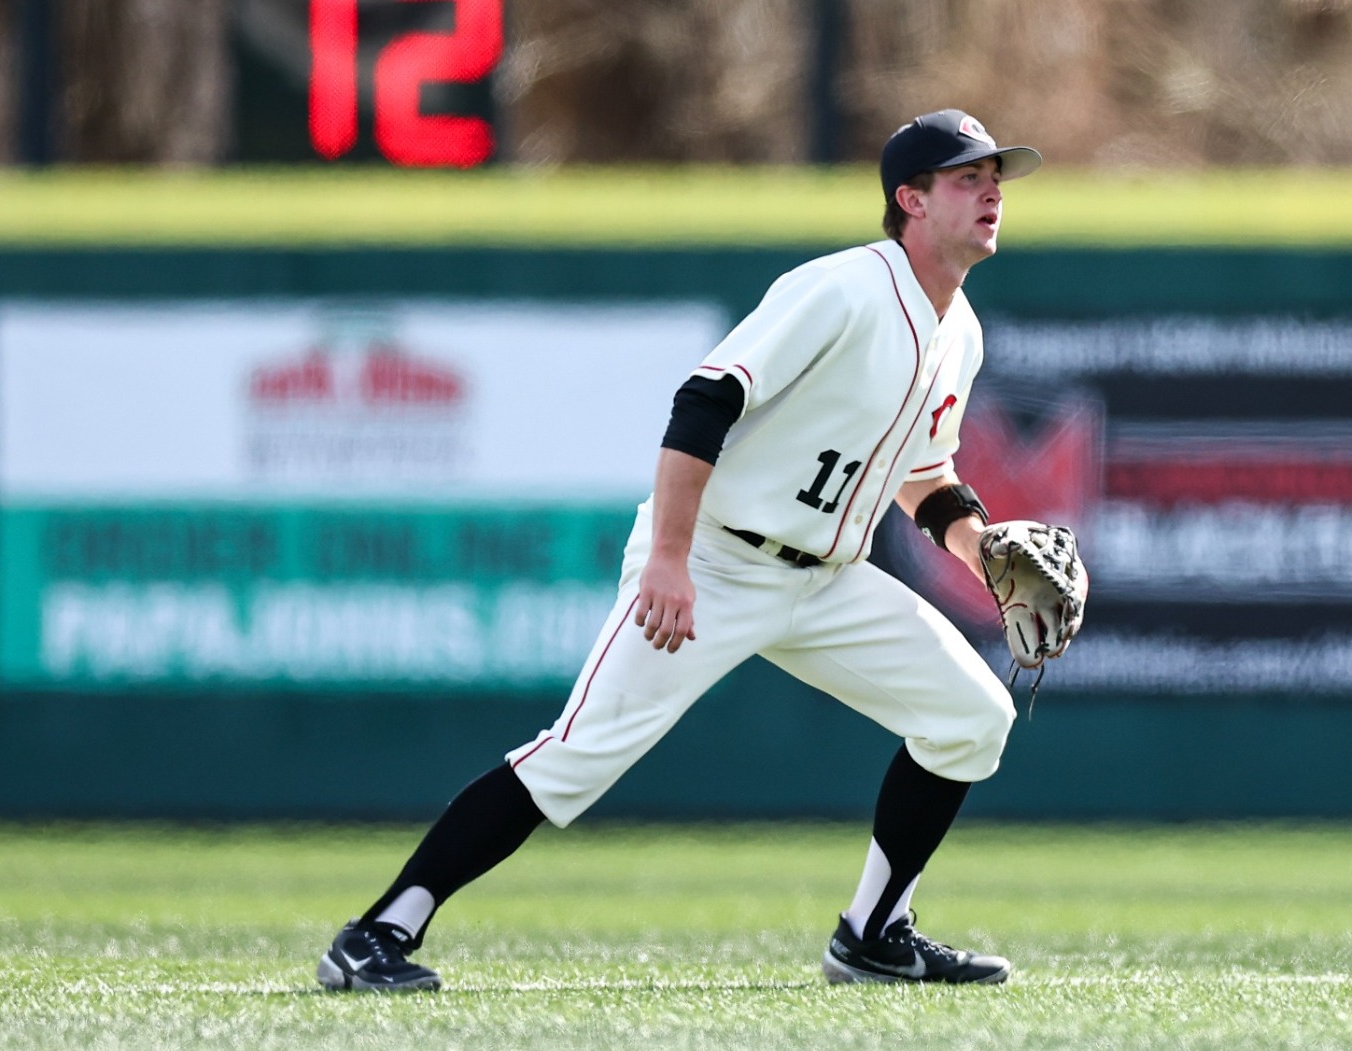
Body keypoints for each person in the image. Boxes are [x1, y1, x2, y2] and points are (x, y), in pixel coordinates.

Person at [316, 108, 1043, 991]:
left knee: (971, 716)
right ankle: (377, 933)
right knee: (574, 756)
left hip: (826, 579)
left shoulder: (959, 329)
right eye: (969, 177)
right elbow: (704, 401)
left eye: (996, 175)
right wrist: (667, 555)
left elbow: (925, 476)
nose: (993, 190)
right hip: (713, 560)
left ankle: (874, 932)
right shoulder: (845, 288)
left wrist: (983, 550)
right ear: (911, 199)